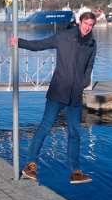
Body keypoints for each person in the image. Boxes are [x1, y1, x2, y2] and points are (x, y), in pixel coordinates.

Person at [9, 11, 97, 184]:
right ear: (80, 22)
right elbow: (40, 44)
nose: (88, 28)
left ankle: (75, 172)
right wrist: (19, 42)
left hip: (75, 95)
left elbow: (90, 65)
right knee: (45, 127)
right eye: (86, 24)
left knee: (74, 133)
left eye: (91, 25)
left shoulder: (92, 44)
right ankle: (30, 166)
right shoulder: (64, 36)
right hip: (58, 91)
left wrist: (83, 82)